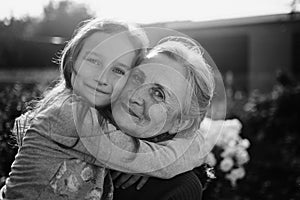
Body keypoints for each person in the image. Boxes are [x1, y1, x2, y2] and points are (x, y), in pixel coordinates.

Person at [1, 19, 213, 200]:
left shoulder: (178, 186)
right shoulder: (73, 117)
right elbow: (154, 161)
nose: (136, 95)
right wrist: (193, 148)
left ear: (181, 122)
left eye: (158, 93)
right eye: (137, 77)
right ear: (72, 61)